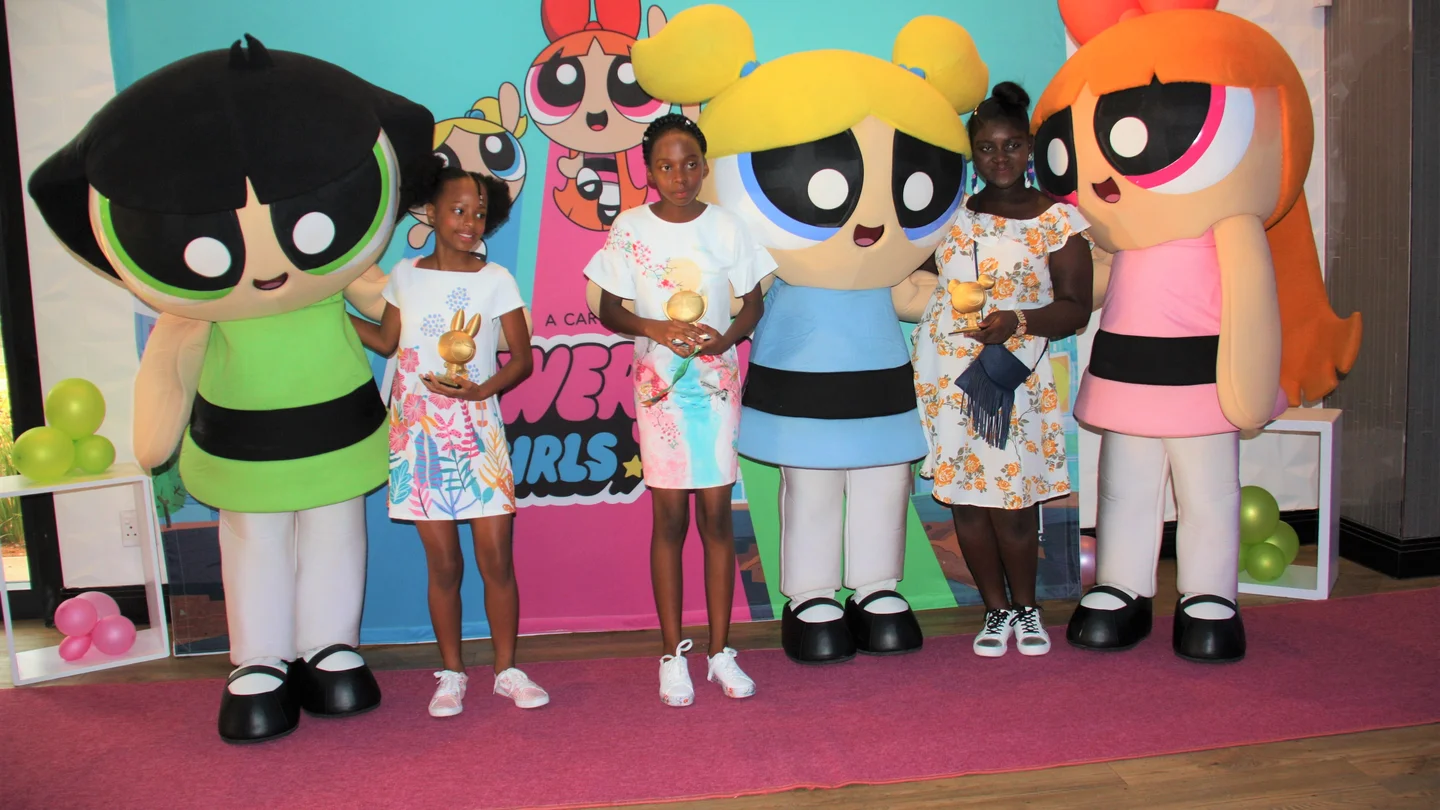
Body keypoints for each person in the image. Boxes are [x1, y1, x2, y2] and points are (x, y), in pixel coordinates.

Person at [583, 113, 775, 706]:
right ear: (648, 171)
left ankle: (720, 652)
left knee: (716, 519)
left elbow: (752, 305)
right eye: (666, 166)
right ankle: (672, 655)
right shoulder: (630, 228)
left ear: (705, 166)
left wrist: (724, 339)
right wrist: (654, 328)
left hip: (716, 386)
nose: (680, 176)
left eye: (690, 164)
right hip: (658, 389)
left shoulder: (728, 227)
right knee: (668, 521)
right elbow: (607, 307)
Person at [350, 162, 548, 716]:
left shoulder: (497, 279)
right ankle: (452, 674)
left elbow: (523, 359)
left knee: (496, 560)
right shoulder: (405, 274)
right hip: (417, 437)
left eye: (479, 213)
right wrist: (328, 314)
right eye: (458, 210)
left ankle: (507, 670)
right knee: (443, 566)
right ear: (430, 212)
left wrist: (480, 390)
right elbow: (386, 342)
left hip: (478, 432)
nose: (469, 222)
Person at [912, 81, 1093, 658]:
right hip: (949, 377)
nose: (999, 158)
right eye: (986, 148)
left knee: (1014, 502)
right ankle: (995, 611)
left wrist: (1017, 320)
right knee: (966, 501)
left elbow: (1076, 308)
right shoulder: (950, 217)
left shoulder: (1056, 220)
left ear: (1030, 146)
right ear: (972, 153)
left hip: (1014, 375)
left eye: (1011, 145)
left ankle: (1027, 608)